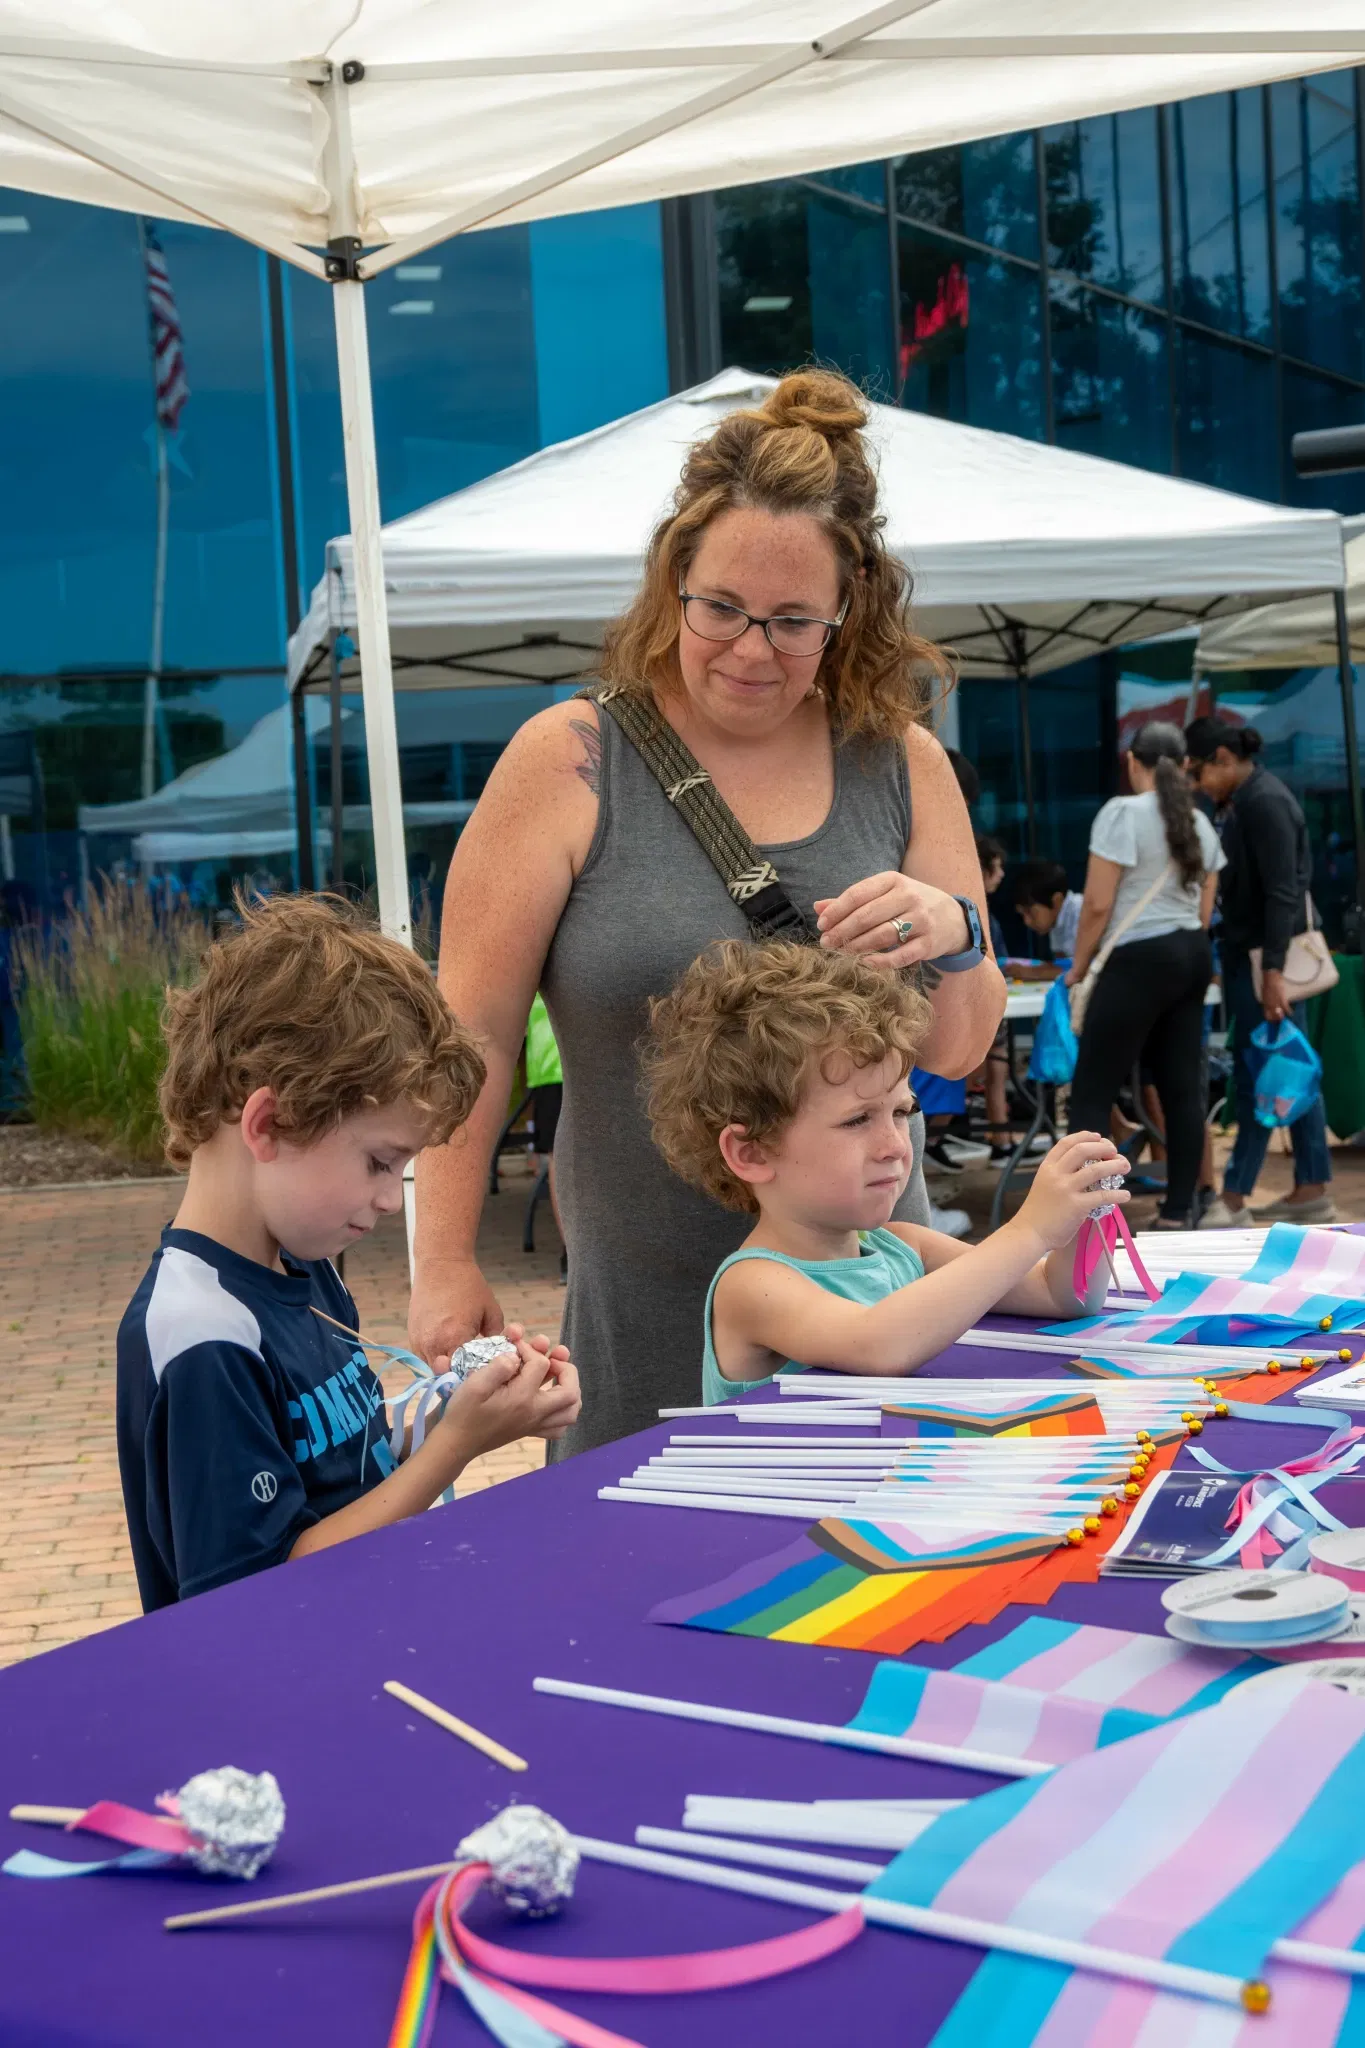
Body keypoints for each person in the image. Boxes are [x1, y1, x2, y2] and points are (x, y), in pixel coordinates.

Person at [410, 368, 1006, 1455]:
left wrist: (957, 930)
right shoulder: (569, 760)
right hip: (643, 1310)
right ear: (672, 576)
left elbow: (959, 1051)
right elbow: (472, 1032)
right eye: (720, 607)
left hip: (873, 1310)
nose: (749, 649)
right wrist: (442, 1256)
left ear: (848, 611)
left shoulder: (903, 765)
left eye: (792, 622)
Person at [116, 896, 580, 1611]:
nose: (392, 1200)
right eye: (378, 1162)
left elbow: (347, 1456)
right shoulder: (202, 1336)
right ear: (269, 1123)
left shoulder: (305, 1269)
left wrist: (462, 1404)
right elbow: (255, 1597)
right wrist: (453, 1447)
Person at [642, 941, 1123, 1396]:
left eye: (901, 1112)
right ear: (751, 1153)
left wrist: (1087, 1212)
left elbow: (1065, 1298)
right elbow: (879, 1344)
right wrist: (1032, 1230)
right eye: (857, 1120)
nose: (894, 1145)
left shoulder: (904, 1247)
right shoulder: (752, 1284)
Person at [1062, 722, 1223, 1230]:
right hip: (1192, 954)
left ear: (1133, 762)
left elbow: (1097, 904)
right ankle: (1181, 1210)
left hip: (1137, 959)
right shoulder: (1200, 822)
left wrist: (1080, 964)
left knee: (1092, 1089)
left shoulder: (1121, 813)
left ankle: (1091, 1216)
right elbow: (1204, 908)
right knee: (1182, 1088)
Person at [1184, 717, 1336, 1226]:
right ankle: (1309, 1187)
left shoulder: (1264, 802)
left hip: (1265, 961)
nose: (1196, 783)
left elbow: (1283, 893)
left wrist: (1271, 971)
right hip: (1252, 957)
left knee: (1263, 1073)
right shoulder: (1240, 802)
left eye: (1199, 770)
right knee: (1288, 1068)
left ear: (1225, 759)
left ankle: (1234, 1196)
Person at [1013, 860, 1083, 962]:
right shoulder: (1055, 919)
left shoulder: (1081, 911)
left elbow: (1082, 967)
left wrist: (1030, 972)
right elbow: (1061, 962)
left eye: (1031, 913)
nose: (1027, 921)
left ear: (1056, 901)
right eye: (1022, 914)